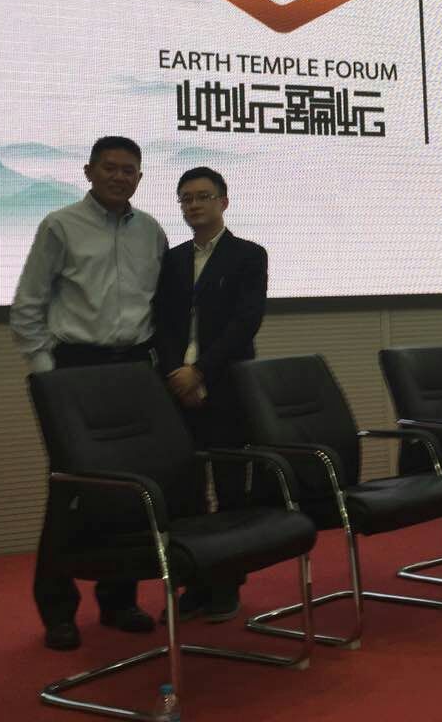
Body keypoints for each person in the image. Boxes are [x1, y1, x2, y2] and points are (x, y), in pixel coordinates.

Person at [10, 135, 168, 650]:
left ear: (139, 177)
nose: (120, 177)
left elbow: (159, 306)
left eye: (129, 170)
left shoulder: (151, 231)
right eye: (110, 167)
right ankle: (58, 610)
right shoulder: (61, 225)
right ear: (89, 171)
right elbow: (28, 303)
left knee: (131, 488)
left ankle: (119, 602)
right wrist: (46, 372)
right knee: (70, 489)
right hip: (74, 370)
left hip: (134, 370)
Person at [154, 166, 268, 622]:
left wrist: (199, 372)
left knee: (230, 485)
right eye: (186, 198)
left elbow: (245, 324)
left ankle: (226, 584)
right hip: (175, 386)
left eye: (203, 196)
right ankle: (195, 582)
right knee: (184, 489)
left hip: (226, 383)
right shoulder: (173, 260)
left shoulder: (248, 255)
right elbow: (162, 324)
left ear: (224, 201)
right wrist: (175, 373)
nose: (194, 205)